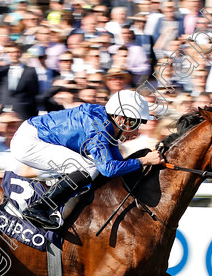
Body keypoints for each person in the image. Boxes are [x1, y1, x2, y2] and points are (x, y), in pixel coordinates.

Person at [9, 89, 163, 230]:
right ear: (121, 118)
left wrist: (140, 163)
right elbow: (108, 169)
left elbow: (117, 161)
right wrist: (144, 161)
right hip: (29, 142)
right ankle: (40, 208)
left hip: (34, 135)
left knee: (91, 168)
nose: (136, 131)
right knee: (90, 168)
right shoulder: (98, 128)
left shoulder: (107, 122)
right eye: (135, 123)